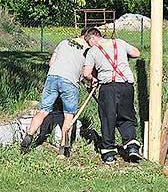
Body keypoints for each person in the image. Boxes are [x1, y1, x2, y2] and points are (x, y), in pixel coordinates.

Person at [20, 29, 89, 156]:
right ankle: (63, 149)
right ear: (87, 36)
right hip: (70, 82)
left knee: (43, 110)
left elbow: (51, 63)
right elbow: (87, 72)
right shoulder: (88, 49)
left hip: (52, 77)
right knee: (69, 116)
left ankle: (28, 137)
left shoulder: (64, 42)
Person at [83, 27, 141, 165]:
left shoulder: (93, 51)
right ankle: (132, 146)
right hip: (126, 85)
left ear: (93, 37)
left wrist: (93, 79)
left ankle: (109, 153)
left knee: (108, 118)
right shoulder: (119, 42)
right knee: (126, 116)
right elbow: (136, 53)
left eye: (88, 41)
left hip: (108, 87)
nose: (89, 45)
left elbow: (86, 73)